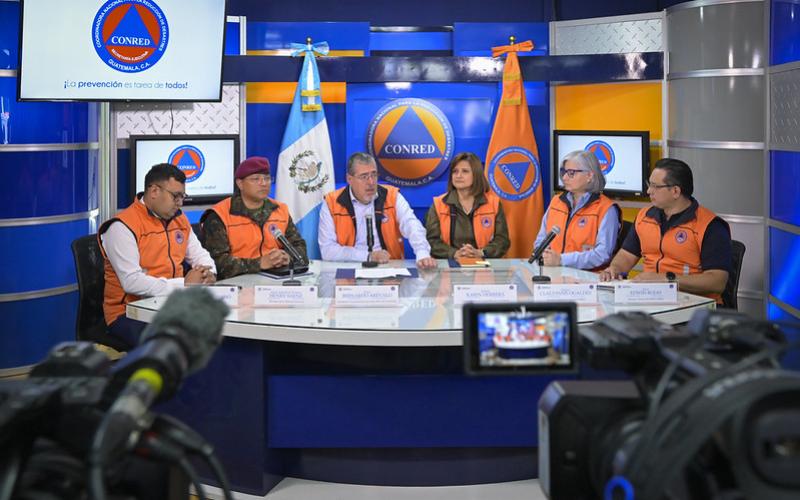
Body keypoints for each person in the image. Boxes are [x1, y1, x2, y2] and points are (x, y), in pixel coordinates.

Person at [98, 164, 216, 347]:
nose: (180, 203)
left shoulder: (179, 219)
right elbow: (132, 282)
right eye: (175, 196)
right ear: (154, 191)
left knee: (220, 328)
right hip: (128, 313)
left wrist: (209, 273)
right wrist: (184, 284)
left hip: (173, 304)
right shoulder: (121, 227)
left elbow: (200, 255)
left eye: (182, 197)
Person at [599, 158, 731, 303]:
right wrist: (614, 268)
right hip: (649, 299)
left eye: (655, 186)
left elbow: (717, 282)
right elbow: (626, 255)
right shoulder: (644, 216)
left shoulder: (710, 225)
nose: (649, 191)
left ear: (675, 191)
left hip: (694, 305)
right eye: (649, 185)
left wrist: (667, 279)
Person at [318, 152, 436, 269]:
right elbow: (327, 250)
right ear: (349, 179)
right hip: (348, 269)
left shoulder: (392, 196)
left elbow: (411, 224)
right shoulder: (332, 203)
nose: (371, 182)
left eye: (374, 175)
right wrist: (368, 256)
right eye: (364, 177)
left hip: (389, 268)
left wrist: (422, 253)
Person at [201, 156, 308, 279]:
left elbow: (300, 250)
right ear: (240, 183)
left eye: (267, 178)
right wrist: (259, 263)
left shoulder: (280, 210)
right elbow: (215, 264)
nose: (263, 183)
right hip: (236, 285)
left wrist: (287, 257)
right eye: (256, 179)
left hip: (275, 282)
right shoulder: (220, 215)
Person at [533, 150, 621, 270]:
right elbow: (540, 240)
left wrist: (562, 260)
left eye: (571, 173)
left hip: (588, 280)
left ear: (589, 175)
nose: (564, 177)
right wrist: (543, 255)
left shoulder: (606, 209)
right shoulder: (556, 202)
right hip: (552, 274)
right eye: (563, 172)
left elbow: (602, 254)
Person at [425, 152, 510, 259]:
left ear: (476, 174)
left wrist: (481, 252)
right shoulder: (438, 204)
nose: (458, 175)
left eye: (465, 171)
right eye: (455, 171)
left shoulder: (494, 203)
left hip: (485, 266)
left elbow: (502, 240)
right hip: (449, 267)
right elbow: (431, 241)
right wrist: (455, 253)